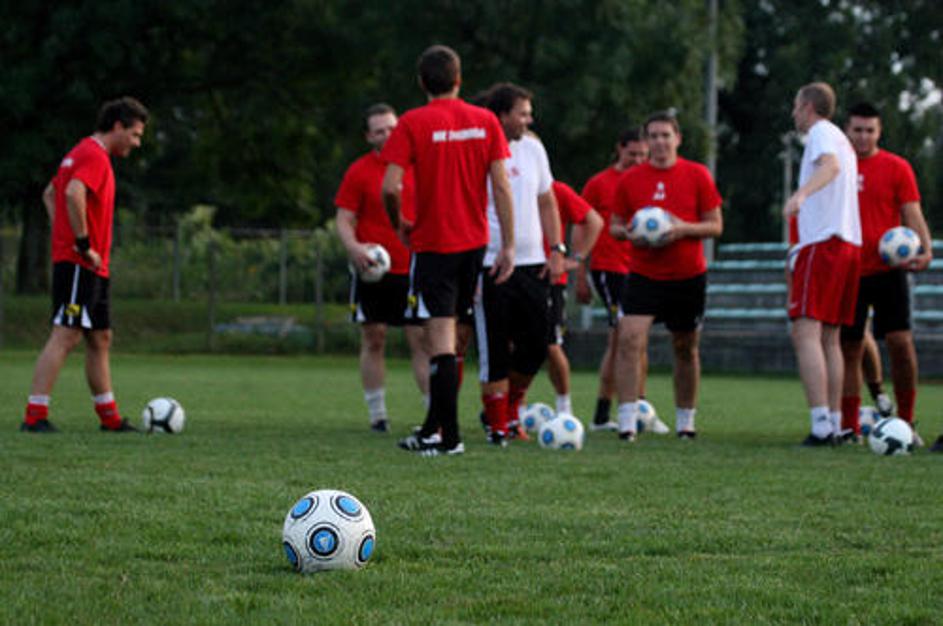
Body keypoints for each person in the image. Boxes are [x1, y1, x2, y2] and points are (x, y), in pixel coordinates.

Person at [380, 45, 514, 457]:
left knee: (439, 339)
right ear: (459, 79)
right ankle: (431, 430)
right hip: (474, 245)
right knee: (452, 334)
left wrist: (399, 222)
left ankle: (448, 438)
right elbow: (501, 185)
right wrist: (508, 244)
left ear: (422, 82)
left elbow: (390, 186)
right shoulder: (486, 121)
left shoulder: (413, 122)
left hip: (434, 243)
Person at [21, 97, 149, 433]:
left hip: (90, 265)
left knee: (100, 337)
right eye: (135, 134)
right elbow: (72, 192)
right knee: (66, 333)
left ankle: (110, 418)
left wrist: (64, 233)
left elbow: (50, 193)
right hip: (81, 262)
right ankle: (34, 416)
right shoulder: (94, 155)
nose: (137, 143)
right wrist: (81, 243)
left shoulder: (80, 152)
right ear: (118, 126)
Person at [610, 111, 723, 442]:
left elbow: (715, 225)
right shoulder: (630, 179)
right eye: (654, 136)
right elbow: (615, 226)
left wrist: (680, 228)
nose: (660, 142)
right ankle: (627, 421)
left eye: (665, 135)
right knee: (629, 340)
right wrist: (631, 234)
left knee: (685, 347)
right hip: (644, 275)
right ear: (646, 142)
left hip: (687, 275)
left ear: (678, 139)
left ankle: (686, 422)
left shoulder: (697, 174)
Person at [473, 83, 565, 445]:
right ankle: (498, 425)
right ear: (502, 116)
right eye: (522, 113)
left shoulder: (533, 148)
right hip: (491, 262)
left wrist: (555, 248)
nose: (529, 120)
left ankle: (511, 407)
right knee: (494, 347)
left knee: (538, 342)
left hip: (533, 262)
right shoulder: (478, 148)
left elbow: (547, 200)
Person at [838, 101, 933, 444]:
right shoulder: (836, 167)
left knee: (900, 343)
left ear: (879, 132)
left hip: (889, 269)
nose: (863, 136)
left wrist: (925, 248)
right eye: (857, 130)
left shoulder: (897, 167)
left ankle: (906, 423)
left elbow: (912, 211)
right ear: (847, 131)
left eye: (870, 130)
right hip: (848, 269)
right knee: (849, 348)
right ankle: (848, 427)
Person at [335, 103, 429, 433]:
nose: (387, 135)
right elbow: (344, 219)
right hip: (373, 270)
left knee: (422, 340)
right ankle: (378, 415)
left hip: (414, 267)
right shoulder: (359, 171)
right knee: (374, 338)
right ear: (369, 137)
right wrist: (354, 248)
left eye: (392, 128)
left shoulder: (420, 165)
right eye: (379, 131)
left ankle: (433, 415)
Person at [783, 82, 861, 446]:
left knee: (805, 331)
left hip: (823, 242)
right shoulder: (843, 139)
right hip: (848, 244)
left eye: (796, 106)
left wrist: (800, 195)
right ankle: (834, 421)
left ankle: (820, 425)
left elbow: (829, 167)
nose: (794, 113)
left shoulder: (820, 134)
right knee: (830, 337)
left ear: (808, 107)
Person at [579, 128, 650, 431]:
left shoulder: (647, 182)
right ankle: (606, 412)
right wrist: (580, 274)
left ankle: (637, 408)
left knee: (637, 339)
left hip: (640, 269)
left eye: (643, 155)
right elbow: (582, 225)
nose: (638, 160)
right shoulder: (599, 183)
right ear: (619, 149)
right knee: (622, 337)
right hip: (609, 268)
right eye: (633, 154)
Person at [545, 179, 603, 415]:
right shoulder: (507, 185)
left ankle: (564, 409)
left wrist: (576, 259)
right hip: (513, 275)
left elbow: (594, 221)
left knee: (551, 345)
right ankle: (514, 410)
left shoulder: (556, 190)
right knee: (510, 345)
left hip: (550, 280)